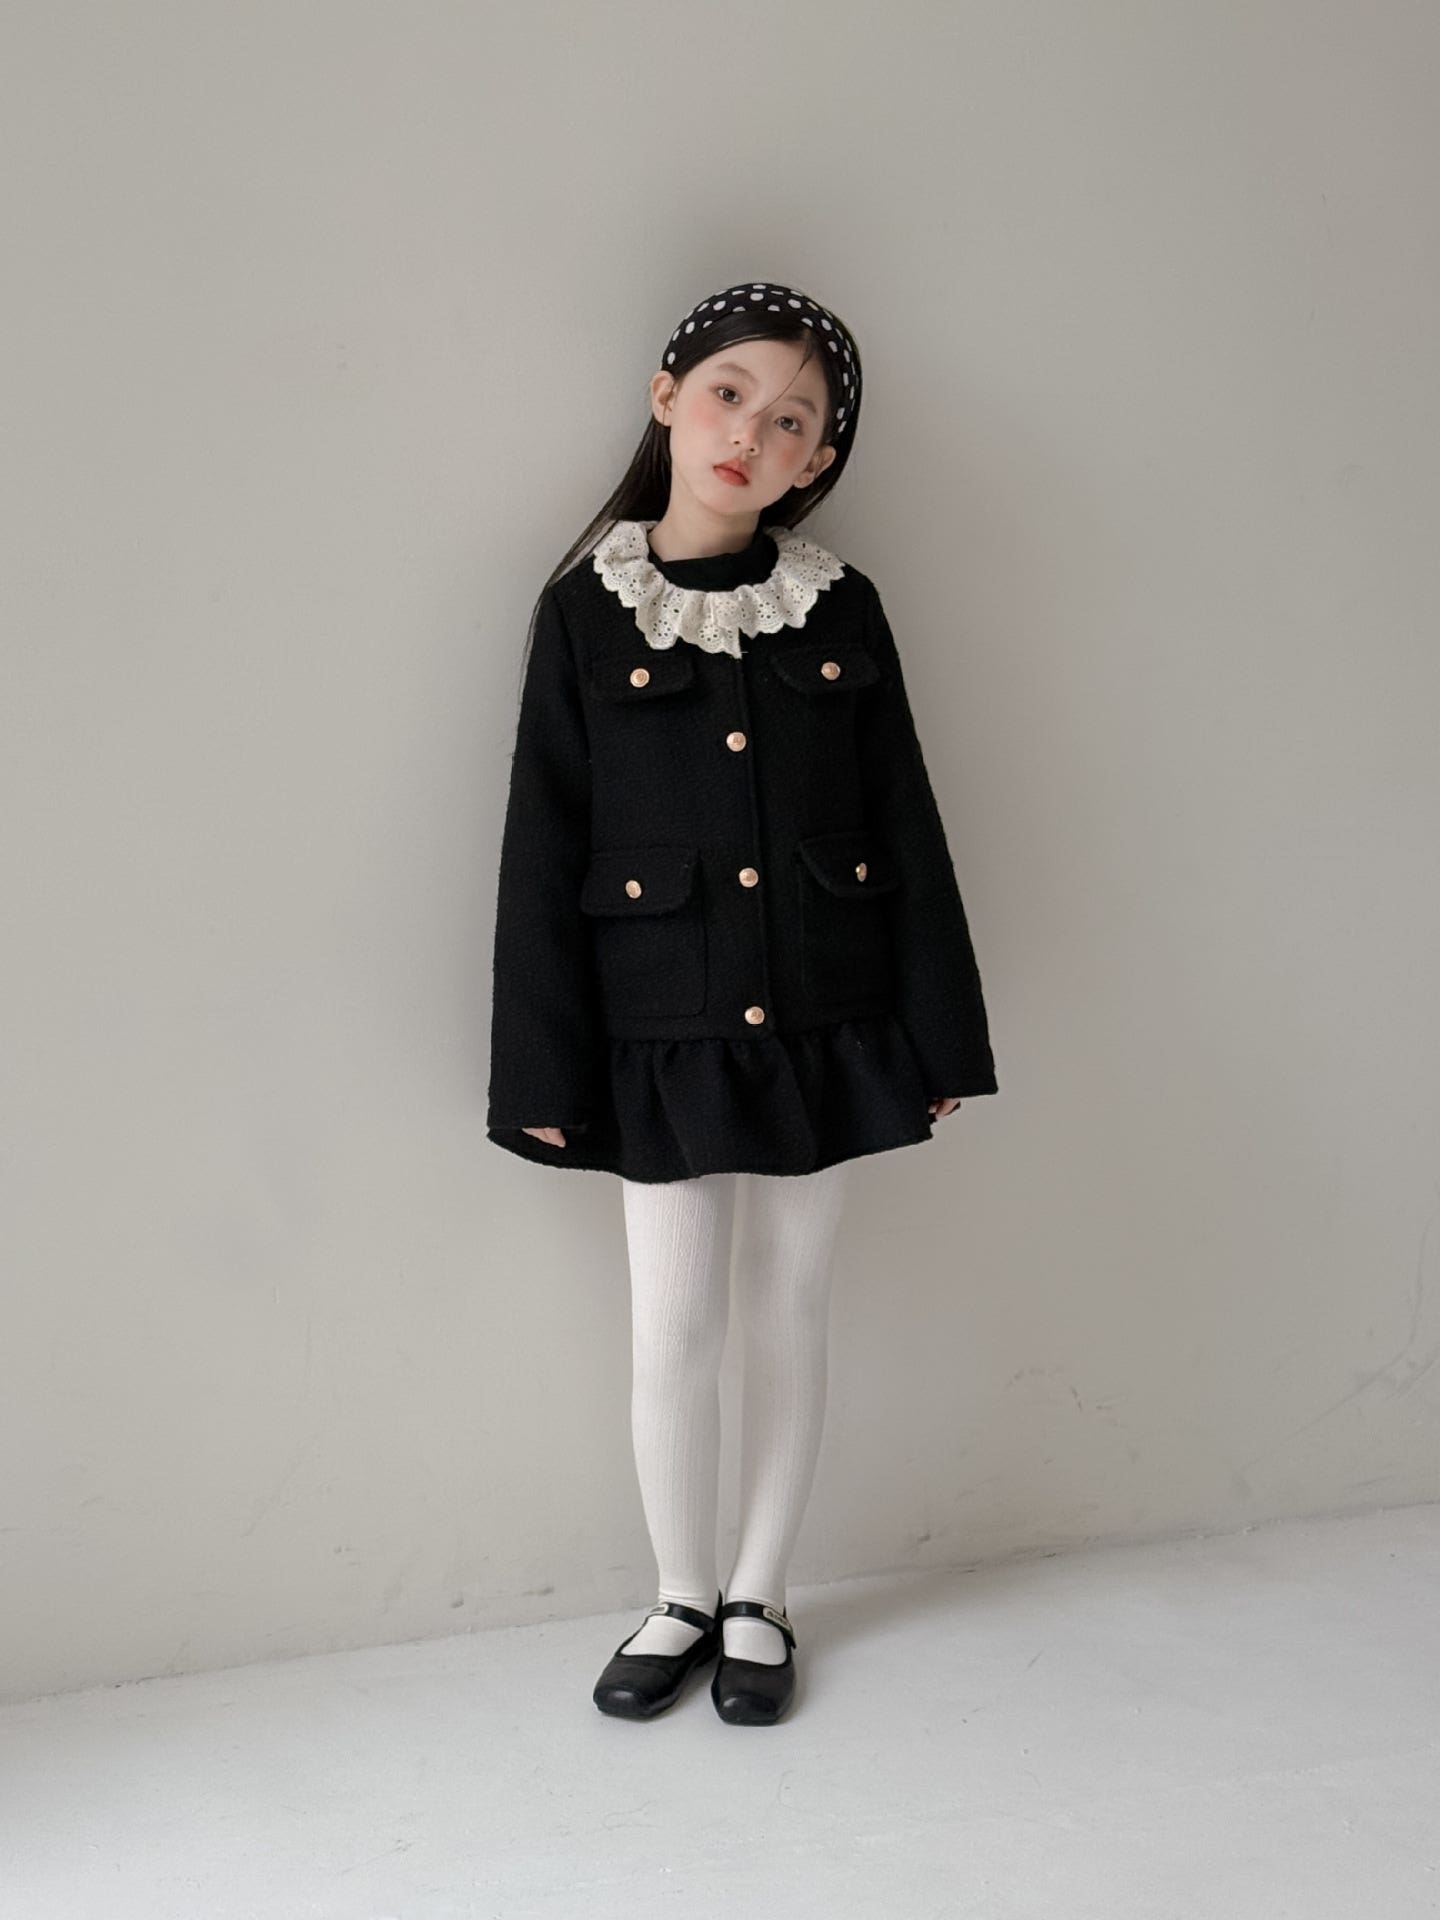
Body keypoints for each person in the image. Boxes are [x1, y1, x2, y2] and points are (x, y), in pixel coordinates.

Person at [485, 280, 999, 1724]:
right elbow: (542, 846)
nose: (749, 436)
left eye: (791, 422)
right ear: (667, 397)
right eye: (729, 396)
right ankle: (679, 1592)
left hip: (831, 1023)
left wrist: (937, 1036)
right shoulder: (583, 613)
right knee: (670, 1327)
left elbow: (905, 821)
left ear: (816, 459)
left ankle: (762, 1595)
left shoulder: (840, 605)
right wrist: (541, 1070)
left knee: (790, 1311)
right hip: (658, 1033)